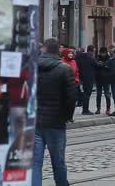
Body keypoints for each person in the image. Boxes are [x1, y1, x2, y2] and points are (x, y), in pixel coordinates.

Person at [33, 38, 76, 186]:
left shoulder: (32, 68)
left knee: (34, 163)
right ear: (58, 51)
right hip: (56, 123)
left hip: (34, 122)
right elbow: (71, 97)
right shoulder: (64, 69)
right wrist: (67, 117)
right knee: (58, 162)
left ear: (43, 49)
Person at [75, 45, 98, 115]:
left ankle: (84, 108)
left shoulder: (81, 56)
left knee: (85, 93)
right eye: (94, 49)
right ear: (93, 50)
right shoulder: (91, 57)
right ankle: (85, 110)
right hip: (89, 77)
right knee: (87, 94)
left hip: (82, 77)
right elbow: (96, 65)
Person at [95, 47, 112, 115]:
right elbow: (96, 65)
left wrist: (102, 65)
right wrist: (103, 65)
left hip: (106, 79)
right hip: (98, 78)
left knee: (107, 94)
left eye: (103, 53)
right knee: (98, 94)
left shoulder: (109, 58)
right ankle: (98, 109)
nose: (102, 54)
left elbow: (109, 67)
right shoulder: (97, 57)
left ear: (105, 52)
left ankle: (108, 109)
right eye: (101, 53)